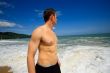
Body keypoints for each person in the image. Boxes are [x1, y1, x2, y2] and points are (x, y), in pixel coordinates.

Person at [27, 8, 61, 73]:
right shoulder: (38, 31)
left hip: (56, 66)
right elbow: (30, 55)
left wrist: (57, 61)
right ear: (52, 17)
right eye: (56, 17)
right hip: (44, 69)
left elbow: (53, 49)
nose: (57, 19)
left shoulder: (53, 33)